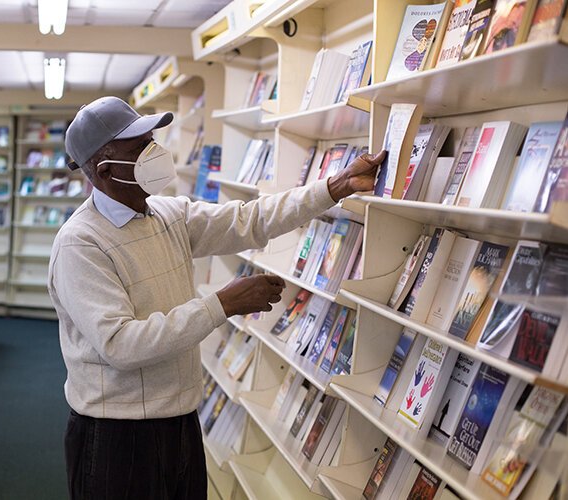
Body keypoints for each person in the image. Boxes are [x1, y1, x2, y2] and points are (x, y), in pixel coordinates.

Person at [48, 96, 386, 500]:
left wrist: (336, 186)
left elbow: (250, 220)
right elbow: (121, 345)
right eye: (140, 147)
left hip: (181, 422)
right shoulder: (80, 244)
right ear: (105, 170)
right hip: (118, 435)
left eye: (152, 139)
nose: (155, 152)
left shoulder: (167, 214)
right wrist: (222, 304)